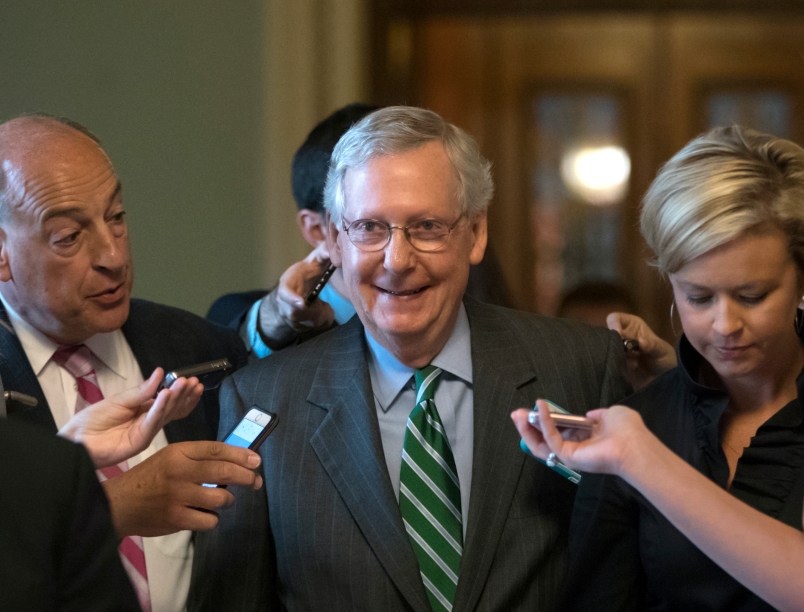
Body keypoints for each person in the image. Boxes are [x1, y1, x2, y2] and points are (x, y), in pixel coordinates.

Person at [189, 106, 631, 610]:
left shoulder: (582, 367)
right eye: (370, 228)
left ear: (476, 233)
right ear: (334, 239)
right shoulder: (265, 402)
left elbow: (619, 582)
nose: (397, 261)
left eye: (426, 227)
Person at [521, 125, 804, 610]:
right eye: (698, 296)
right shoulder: (641, 421)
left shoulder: (633, 445)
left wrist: (642, 460)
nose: (724, 324)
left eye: (751, 296)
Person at [0, 114, 263, 611]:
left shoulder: (207, 352)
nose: (113, 256)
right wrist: (107, 510)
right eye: (69, 237)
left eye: (116, 217)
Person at [513, 402, 804, 611]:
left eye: (753, 309)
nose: (726, 325)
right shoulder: (653, 404)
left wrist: (635, 455)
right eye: (700, 309)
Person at [207, 103, 379, 358]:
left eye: (424, 222)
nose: (398, 251)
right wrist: (277, 315)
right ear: (318, 230)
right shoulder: (237, 317)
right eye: (370, 224)